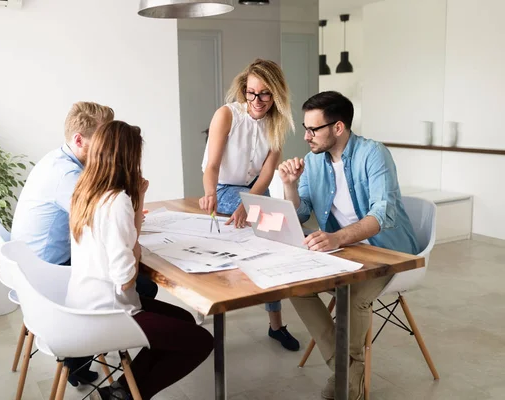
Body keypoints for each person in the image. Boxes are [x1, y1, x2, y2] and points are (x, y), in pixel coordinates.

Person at [278, 91, 419, 400]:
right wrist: (289, 184)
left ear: (338, 127)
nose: (306, 136)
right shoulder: (315, 162)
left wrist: (336, 238)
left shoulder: (374, 154)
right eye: (306, 128)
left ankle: (347, 384)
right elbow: (300, 213)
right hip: (343, 252)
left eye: (313, 129)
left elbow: (382, 214)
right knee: (295, 285)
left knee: (353, 295)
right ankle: (346, 369)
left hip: (387, 253)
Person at [11, 102, 158, 386]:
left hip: (38, 267)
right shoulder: (69, 177)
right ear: (80, 140)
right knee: (145, 286)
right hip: (49, 273)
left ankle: (87, 355)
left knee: (134, 281)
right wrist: (131, 209)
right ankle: (88, 348)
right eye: (102, 139)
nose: (107, 145)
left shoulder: (60, 162)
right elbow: (106, 225)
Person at [65, 120, 214, 400]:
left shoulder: (84, 192)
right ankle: (131, 395)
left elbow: (125, 239)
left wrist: (139, 197)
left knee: (183, 319)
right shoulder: (116, 200)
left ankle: (122, 390)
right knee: (201, 341)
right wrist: (135, 251)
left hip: (85, 304)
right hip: (110, 313)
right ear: (127, 158)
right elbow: (125, 280)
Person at [199, 59, 300, 352]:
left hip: (257, 190)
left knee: (276, 240)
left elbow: (268, 172)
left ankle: (276, 325)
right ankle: (214, 303)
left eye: (265, 94)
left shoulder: (278, 122)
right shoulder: (226, 115)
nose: (257, 101)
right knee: (270, 230)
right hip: (224, 188)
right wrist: (209, 193)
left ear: (276, 94)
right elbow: (213, 164)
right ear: (244, 90)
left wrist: (251, 202)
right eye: (251, 93)